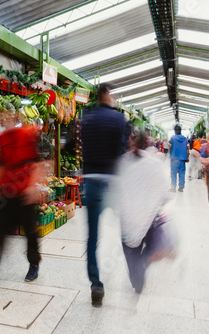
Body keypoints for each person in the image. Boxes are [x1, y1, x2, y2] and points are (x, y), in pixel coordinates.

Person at [81, 83, 125, 307]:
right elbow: (123, 150)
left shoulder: (85, 117)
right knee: (127, 229)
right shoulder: (119, 119)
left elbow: (75, 146)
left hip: (91, 183)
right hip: (113, 183)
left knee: (92, 238)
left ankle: (96, 283)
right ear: (108, 95)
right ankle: (135, 272)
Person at [114, 128, 169, 293]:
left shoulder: (124, 162)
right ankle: (142, 265)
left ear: (131, 142)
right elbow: (164, 192)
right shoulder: (155, 163)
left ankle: (137, 278)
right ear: (147, 143)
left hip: (129, 218)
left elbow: (117, 189)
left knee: (130, 251)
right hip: (150, 218)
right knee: (146, 247)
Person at [0, 112, 44, 282]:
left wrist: (31, 187)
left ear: (15, 120)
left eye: (7, 118)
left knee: (30, 232)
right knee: (1, 227)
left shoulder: (26, 134)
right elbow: (1, 166)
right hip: (8, 193)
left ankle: (34, 264)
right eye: (2, 118)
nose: (4, 120)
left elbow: (36, 164)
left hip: (24, 193)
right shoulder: (2, 138)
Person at [169, 125, 189, 192]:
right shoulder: (185, 139)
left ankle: (173, 187)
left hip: (174, 159)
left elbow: (169, 147)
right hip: (183, 159)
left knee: (173, 174)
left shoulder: (172, 138)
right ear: (181, 131)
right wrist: (187, 157)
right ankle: (181, 188)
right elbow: (187, 148)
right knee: (182, 174)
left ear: (175, 131)